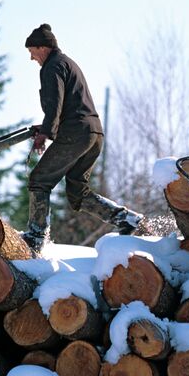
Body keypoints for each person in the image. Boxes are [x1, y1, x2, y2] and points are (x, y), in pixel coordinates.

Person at [23, 24, 143, 254]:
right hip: (93, 133)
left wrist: (45, 134)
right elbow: (70, 106)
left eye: (31, 51)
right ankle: (126, 219)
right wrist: (49, 127)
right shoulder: (67, 63)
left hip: (76, 133)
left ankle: (36, 237)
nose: (31, 57)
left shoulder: (51, 66)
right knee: (78, 192)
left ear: (42, 47)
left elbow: (56, 102)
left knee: (39, 180)